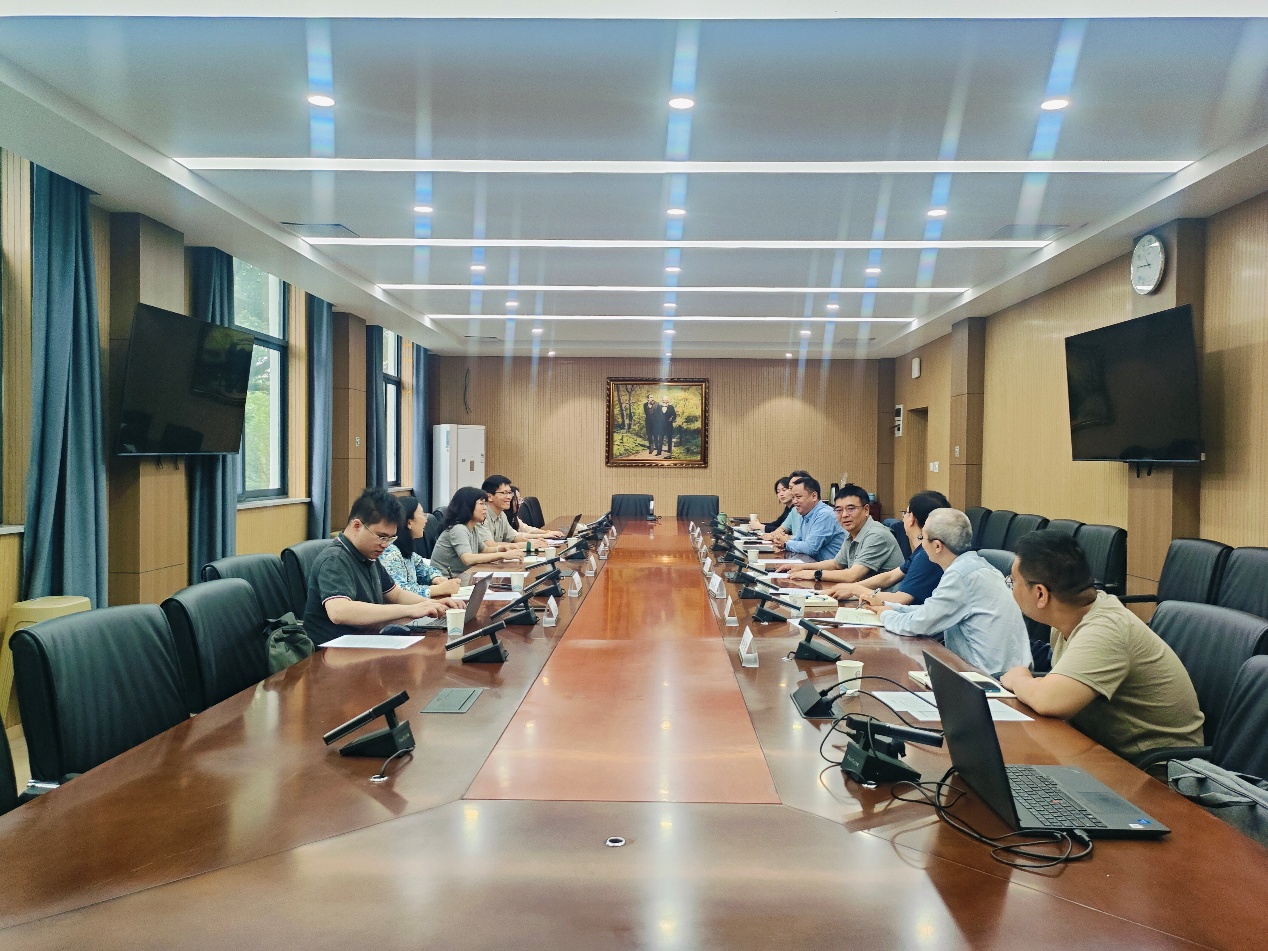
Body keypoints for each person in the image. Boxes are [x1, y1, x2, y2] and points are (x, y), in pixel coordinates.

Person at [1000, 531, 1204, 760]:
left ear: (1041, 594)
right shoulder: (1071, 616)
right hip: (1105, 750)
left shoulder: (1105, 629)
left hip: (1155, 769)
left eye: (1013, 582)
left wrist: (1020, 679)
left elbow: (1050, 701)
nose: (1011, 589)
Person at [872, 508, 1031, 676]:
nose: (921, 544)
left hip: (987, 678)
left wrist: (885, 615)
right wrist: (892, 607)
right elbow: (932, 610)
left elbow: (919, 624)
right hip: (1001, 672)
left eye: (922, 538)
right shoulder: (977, 565)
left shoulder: (960, 576)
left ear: (937, 546)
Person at [303, 487, 460, 646]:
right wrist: (409, 610)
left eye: (390, 539)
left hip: (367, 640)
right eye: (381, 537)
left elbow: (396, 594)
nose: (385, 545)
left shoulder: (369, 555)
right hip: (334, 650)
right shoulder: (335, 559)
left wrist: (431, 605)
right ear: (357, 526)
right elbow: (339, 611)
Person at [826, 490, 950, 606]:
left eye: (905, 513)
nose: (903, 518)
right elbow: (889, 577)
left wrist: (855, 589)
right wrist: (851, 588)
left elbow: (900, 599)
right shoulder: (921, 551)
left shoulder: (927, 556)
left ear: (912, 518)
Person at [788, 483, 903, 584]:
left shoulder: (876, 535)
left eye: (851, 509)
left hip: (884, 598)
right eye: (839, 510)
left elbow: (852, 576)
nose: (844, 515)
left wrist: (815, 574)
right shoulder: (853, 533)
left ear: (866, 510)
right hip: (864, 594)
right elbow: (836, 564)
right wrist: (803, 567)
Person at [379, 496, 463, 597]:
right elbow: (399, 592)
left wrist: (436, 578)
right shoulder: (389, 552)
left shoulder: (406, 549)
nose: (426, 520)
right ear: (409, 523)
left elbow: (425, 569)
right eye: (422, 515)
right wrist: (438, 589)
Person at [430, 485, 525, 576]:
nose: (485, 508)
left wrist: (501, 548)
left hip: (464, 576)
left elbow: (485, 549)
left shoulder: (473, 528)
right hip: (446, 580)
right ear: (468, 506)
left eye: (485, 504)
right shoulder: (458, 529)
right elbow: (468, 559)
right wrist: (503, 555)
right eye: (481, 503)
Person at [478, 474, 563, 551]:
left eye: (510, 493)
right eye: (504, 493)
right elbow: (490, 545)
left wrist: (533, 542)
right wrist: (528, 545)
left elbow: (514, 536)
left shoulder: (501, 514)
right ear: (489, 497)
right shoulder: (481, 515)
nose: (509, 497)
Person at [771, 475, 845, 562]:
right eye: (793, 497)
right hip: (811, 563)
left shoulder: (825, 514)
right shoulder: (805, 513)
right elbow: (798, 539)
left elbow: (810, 548)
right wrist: (780, 540)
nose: (794, 501)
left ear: (814, 496)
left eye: (798, 497)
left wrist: (786, 543)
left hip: (830, 568)